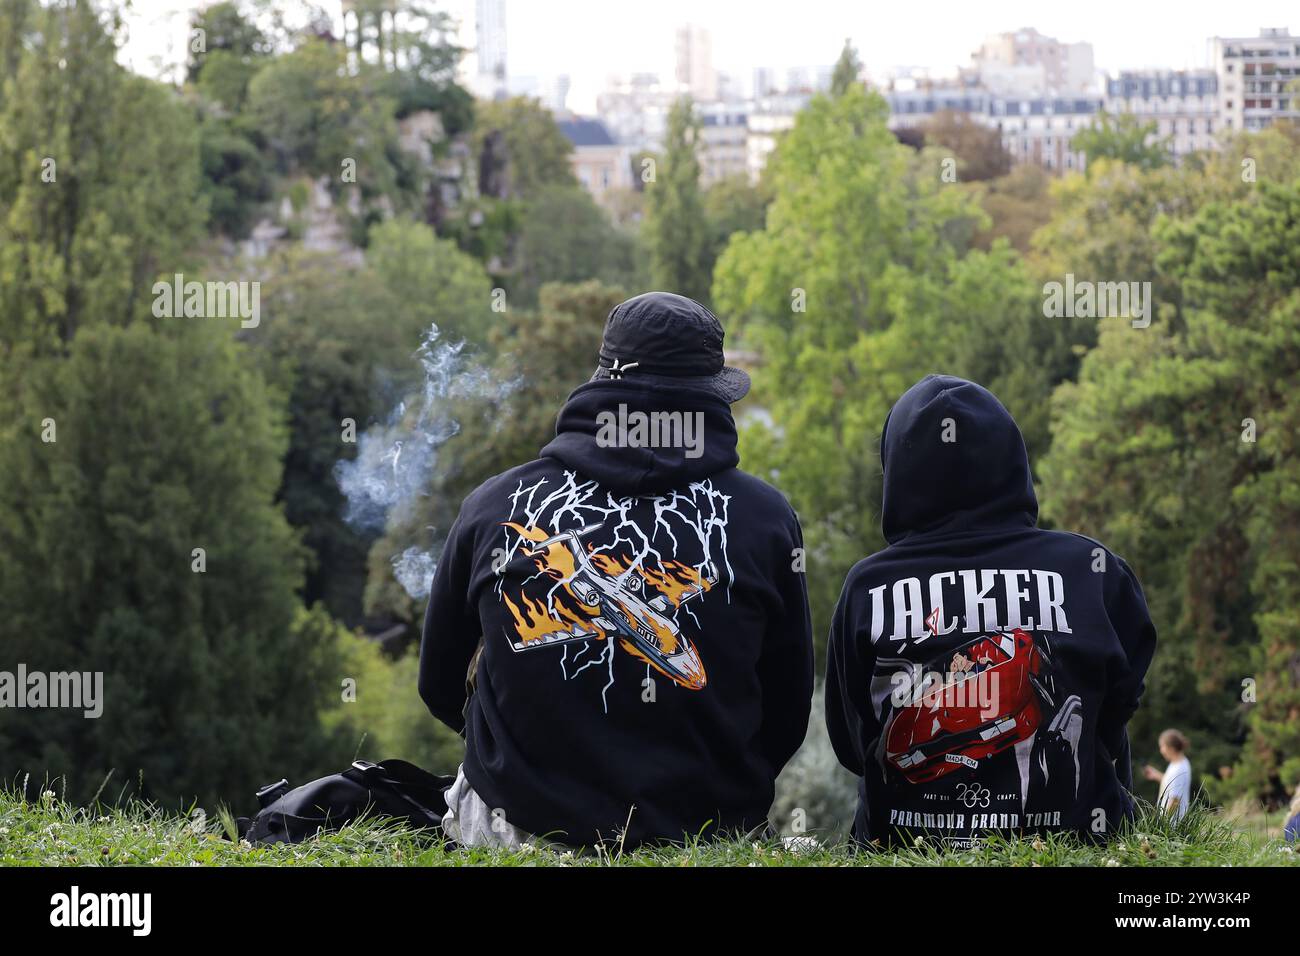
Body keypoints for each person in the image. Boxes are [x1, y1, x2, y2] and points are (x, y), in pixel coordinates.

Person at [419, 292, 813, 849]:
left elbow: (439, 685)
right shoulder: (767, 519)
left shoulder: (491, 506)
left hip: (519, 831)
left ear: (603, 381)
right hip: (707, 836)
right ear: (705, 401)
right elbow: (788, 712)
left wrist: (525, 761)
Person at [825, 375, 1157, 847]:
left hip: (903, 843)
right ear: (1012, 459)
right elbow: (1119, 706)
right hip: (1078, 837)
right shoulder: (1092, 569)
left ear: (898, 468)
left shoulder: (867, 586)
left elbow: (852, 743)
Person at [1143, 729, 1192, 823]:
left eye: (1162, 746)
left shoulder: (1178, 769)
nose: (1161, 750)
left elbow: (1175, 800)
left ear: (1171, 748)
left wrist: (1162, 823)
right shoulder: (1179, 763)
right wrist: (1156, 775)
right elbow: (1173, 783)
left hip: (1171, 826)